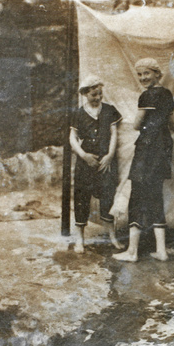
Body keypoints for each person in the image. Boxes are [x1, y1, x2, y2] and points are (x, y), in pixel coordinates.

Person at [113, 58, 174, 262]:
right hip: (163, 150)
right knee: (156, 197)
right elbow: (173, 125)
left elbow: (137, 124)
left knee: (137, 198)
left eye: (146, 73)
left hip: (147, 150)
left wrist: (147, 126)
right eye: (140, 74)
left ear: (157, 74)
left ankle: (132, 252)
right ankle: (161, 251)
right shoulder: (168, 95)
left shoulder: (147, 96)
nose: (142, 78)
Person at [70, 75, 123, 253]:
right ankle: (79, 239)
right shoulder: (78, 113)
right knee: (82, 197)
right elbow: (73, 138)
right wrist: (84, 155)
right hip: (86, 162)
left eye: (99, 94)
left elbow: (114, 133)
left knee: (108, 195)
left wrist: (109, 155)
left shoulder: (109, 110)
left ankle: (112, 236)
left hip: (105, 161)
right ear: (85, 94)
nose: (98, 98)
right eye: (93, 94)